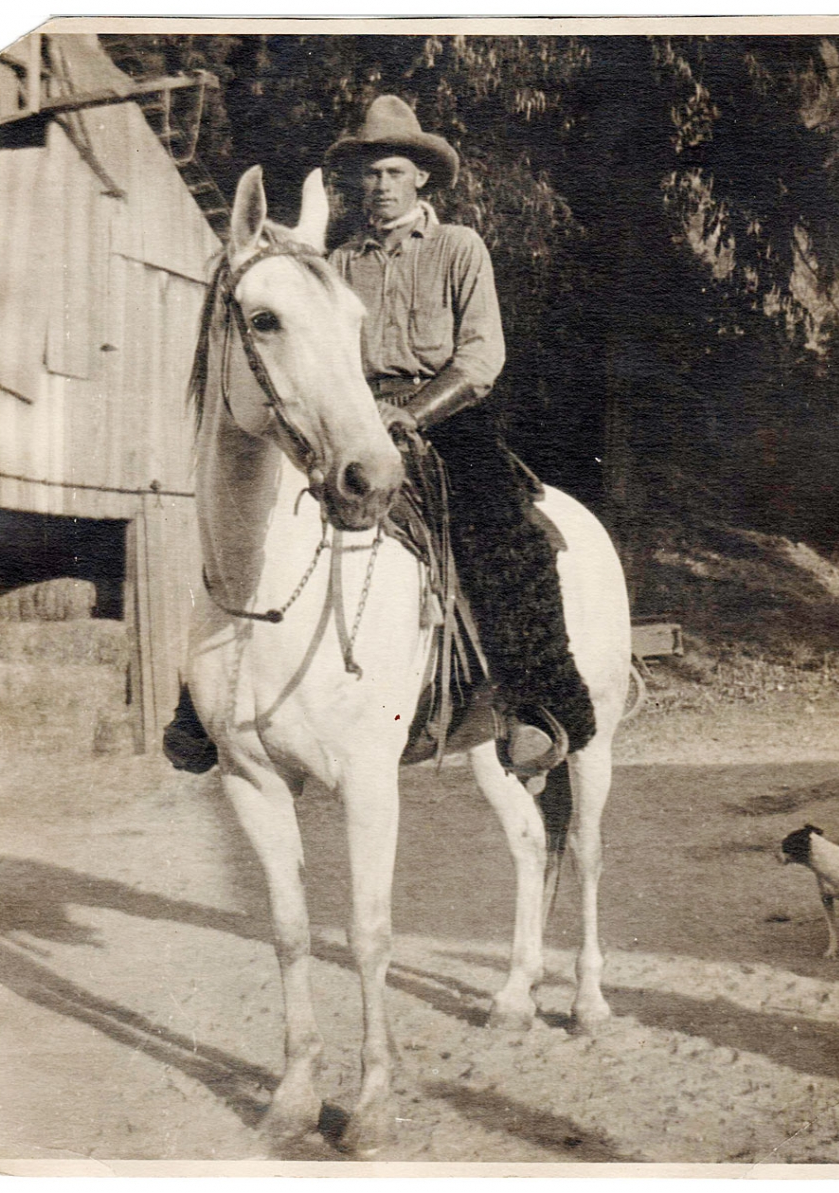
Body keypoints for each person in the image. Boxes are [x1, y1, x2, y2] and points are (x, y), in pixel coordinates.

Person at [323, 96, 596, 778]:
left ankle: (535, 706)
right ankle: (214, 705)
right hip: (355, 418)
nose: (378, 186)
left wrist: (412, 412)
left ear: (420, 177)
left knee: (504, 532)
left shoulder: (457, 248)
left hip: (445, 418)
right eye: (368, 173)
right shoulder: (336, 264)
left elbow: (479, 360)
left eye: (391, 171)